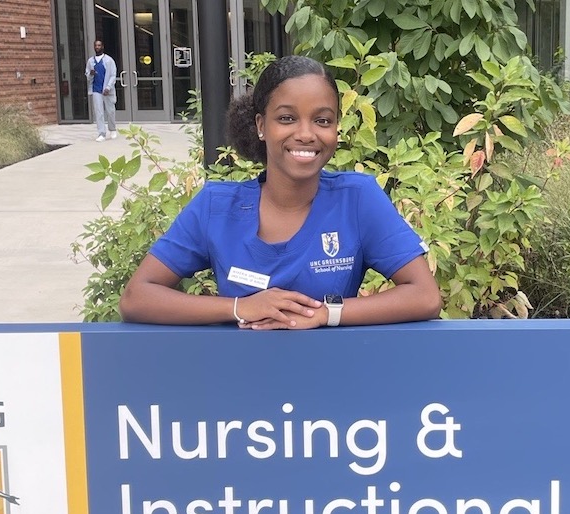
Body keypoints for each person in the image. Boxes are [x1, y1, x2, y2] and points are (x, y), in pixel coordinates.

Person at [119, 56, 441, 329]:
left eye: (322, 120)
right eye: (287, 118)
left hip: (331, 384)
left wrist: (326, 314)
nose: (306, 133)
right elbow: (137, 297)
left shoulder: (357, 199)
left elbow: (425, 296)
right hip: (243, 385)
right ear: (261, 126)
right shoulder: (216, 206)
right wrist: (238, 308)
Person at [85, 40, 117, 142]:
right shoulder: (91, 61)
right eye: (96, 45)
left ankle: (112, 129)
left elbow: (112, 75)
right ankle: (101, 133)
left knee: (110, 110)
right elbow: (87, 75)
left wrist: (108, 87)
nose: (97, 47)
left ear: (102, 47)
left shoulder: (108, 60)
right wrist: (91, 74)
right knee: (98, 112)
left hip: (107, 90)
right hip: (96, 89)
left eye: (99, 45)